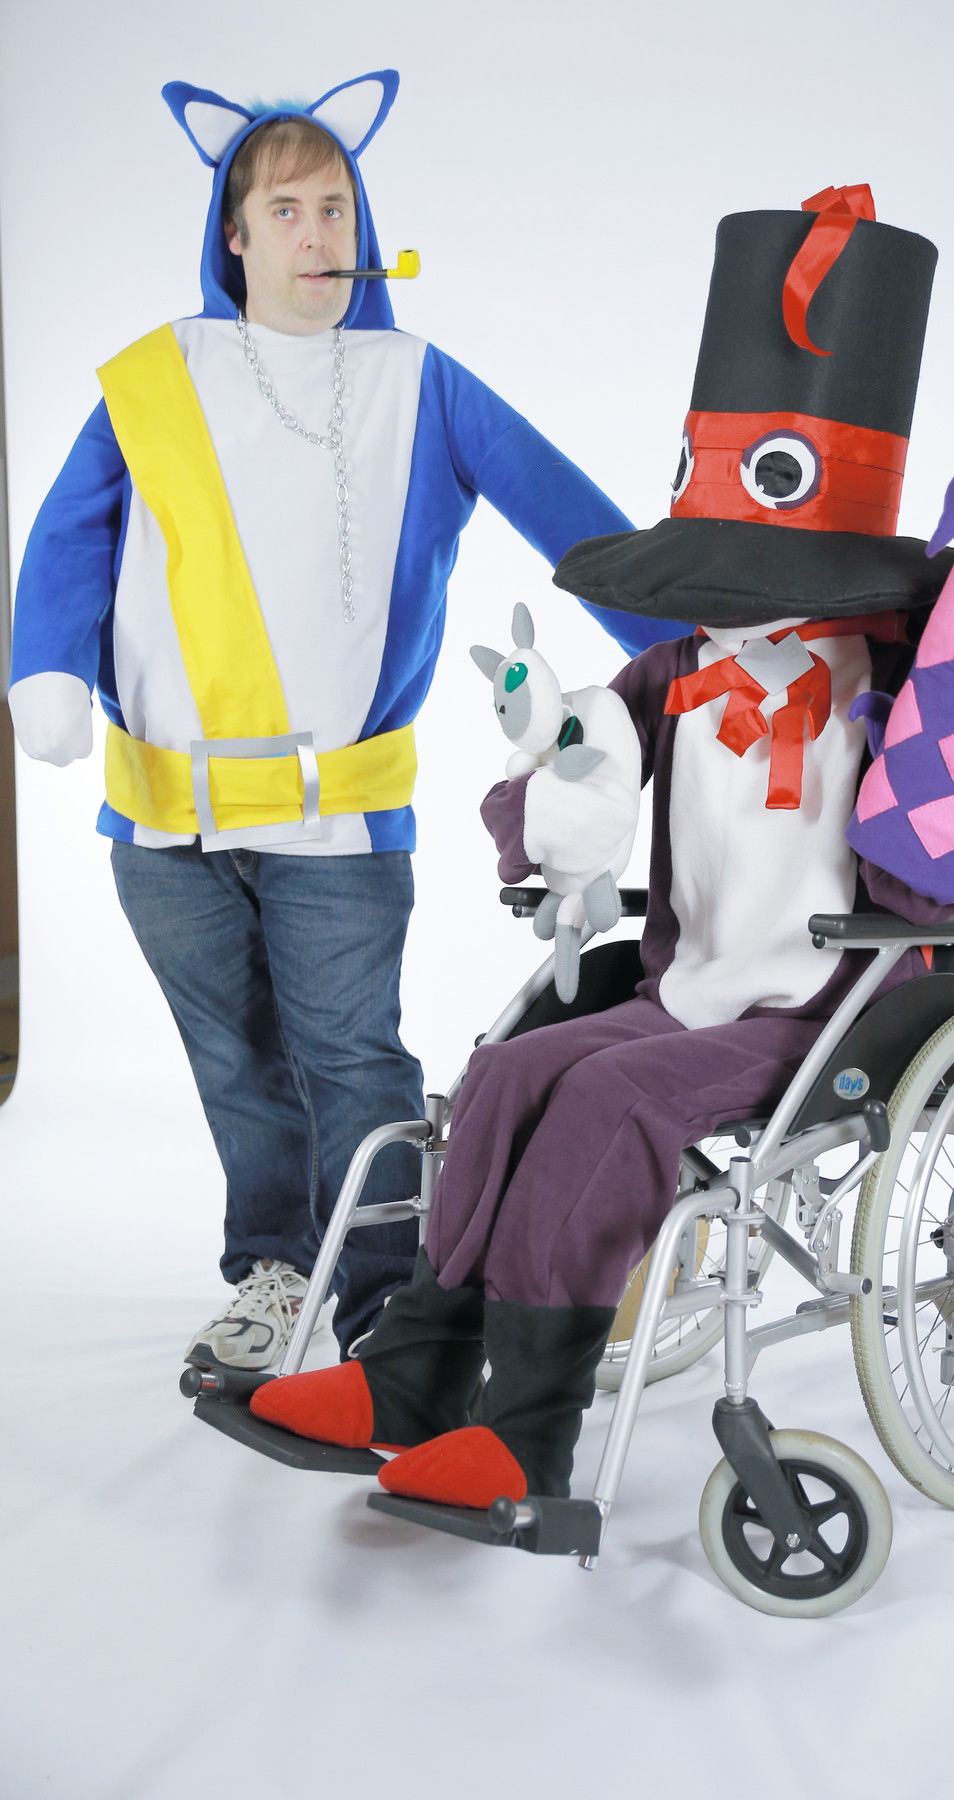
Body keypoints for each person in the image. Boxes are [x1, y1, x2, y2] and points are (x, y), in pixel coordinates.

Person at [246, 193, 954, 1512]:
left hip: (830, 1006)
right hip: (684, 982)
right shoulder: (680, 669)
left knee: (608, 1101)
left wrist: (926, 756)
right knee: (512, 1071)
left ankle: (528, 1430)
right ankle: (410, 1373)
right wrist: (545, 813)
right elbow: (570, 775)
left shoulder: (903, 682)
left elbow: (938, 868)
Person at [7, 71, 682, 1371]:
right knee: (235, 1067)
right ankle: (272, 1273)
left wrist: (690, 646)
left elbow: (569, 516)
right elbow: (69, 536)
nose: (319, 235)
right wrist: (44, 669)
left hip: (338, 820)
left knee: (352, 1063)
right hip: (162, 824)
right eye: (287, 211)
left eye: (337, 209)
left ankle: (383, 1308)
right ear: (235, 236)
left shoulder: (417, 382)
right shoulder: (153, 380)